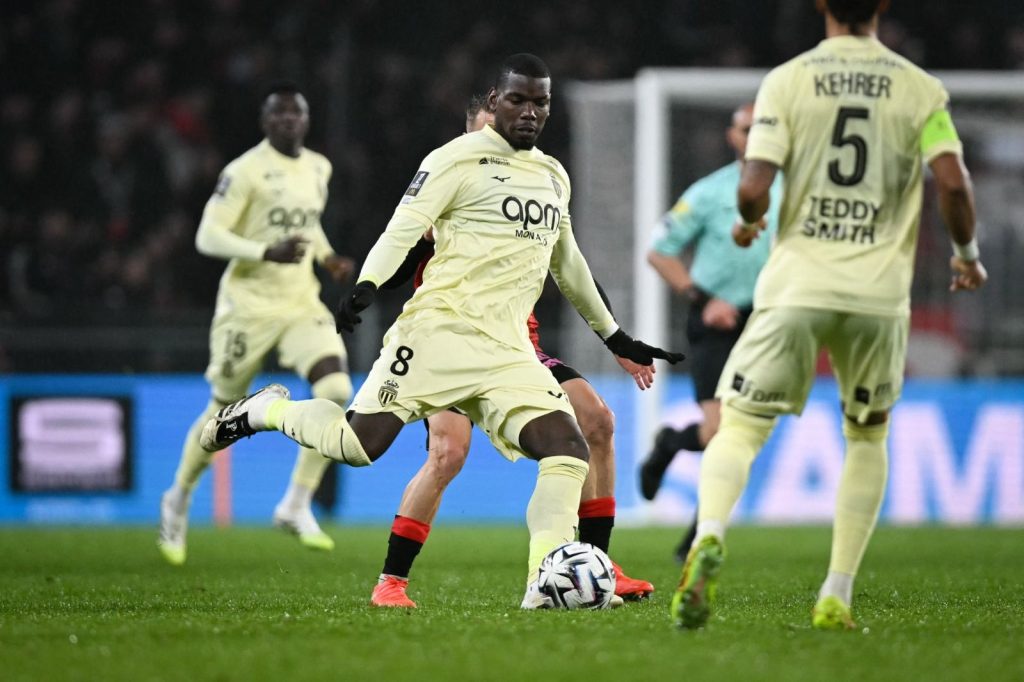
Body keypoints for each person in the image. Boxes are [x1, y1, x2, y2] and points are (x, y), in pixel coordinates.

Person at [198, 54, 683, 609]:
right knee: (357, 445)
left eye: (540, 102)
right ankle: (265, 410)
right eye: (518, 100)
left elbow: (568, 263)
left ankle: (543, 582)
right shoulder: (454, 159)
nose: (530, 111)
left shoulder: (552, 174)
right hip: (436, 335)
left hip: (507, 349)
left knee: (567, 447)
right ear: (496, 101)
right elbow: (402, 228)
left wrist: (616, 338)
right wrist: (367, 283)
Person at [671, 0, 987, 630]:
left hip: (796, 288)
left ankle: (709, 535)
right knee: (866, 436)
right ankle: (836, 592)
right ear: (883, 6)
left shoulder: (788, 81)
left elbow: (754, 185)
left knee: (740, 427)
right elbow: (953, 184)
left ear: (821, 5)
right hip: (877, 297)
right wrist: (966, 255)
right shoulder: (919, 88)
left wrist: (751, 221)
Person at [369, 95, 655, 608]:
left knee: (597, 421)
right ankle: (392, 580)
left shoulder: (533, 185)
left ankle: (593, 565)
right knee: (447, 454)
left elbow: (570, 266)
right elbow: (392, 271)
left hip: (518, 347)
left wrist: (615, 338)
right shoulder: (447, 188)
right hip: (449, 347)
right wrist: (421, 244)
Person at [157, 82, 355, 566]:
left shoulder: (319, 167)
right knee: (221, 410)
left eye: (296, 113)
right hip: (247, 308)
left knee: (336, 389)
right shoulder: (243, 171)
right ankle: (178, 497)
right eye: (278, 114)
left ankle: (296, 503)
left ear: (306, 120)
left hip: (300, 302)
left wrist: (327, 257)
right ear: (265, 122)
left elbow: (307, 223)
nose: (288, 120)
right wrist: (265, 251)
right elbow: (208, 236)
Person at [639, 103, 781, 561]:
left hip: (770, 323)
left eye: (765, 127)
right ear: (732, 137)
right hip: (717, 321)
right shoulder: (708, 192)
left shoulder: (796, 191)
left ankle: (674, 448)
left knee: (741, 435)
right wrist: (703, 300)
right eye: (747, 128)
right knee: (722, 431)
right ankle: (696, 526)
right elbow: (659, 251)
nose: (756, 136)